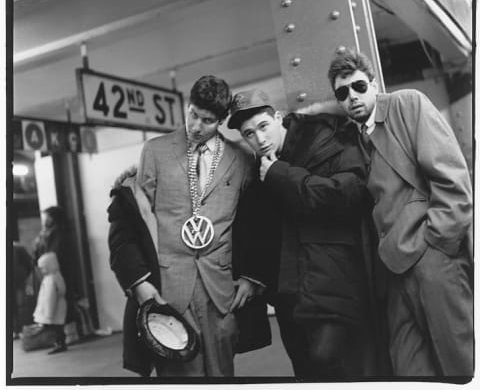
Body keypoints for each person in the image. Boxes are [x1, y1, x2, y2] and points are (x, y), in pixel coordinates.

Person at [108, 75, 270, 377]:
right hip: (169, 289)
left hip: (221, 291)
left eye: (207, 120)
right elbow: (133, 221)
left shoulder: (242, 159)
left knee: (222, 374)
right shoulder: (155, 151)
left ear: (221, 120)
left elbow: (255, 223)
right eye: (192, 114)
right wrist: (140, 283)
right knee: (179, 377)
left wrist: (252, 276)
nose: (195, 126)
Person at [326, 48, 473, 377]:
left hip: (433, 260)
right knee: (409, 368)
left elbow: (452, 179)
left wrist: (436, 245)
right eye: (342, 92)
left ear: (374, 84)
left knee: (458, 364)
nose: (352, 96)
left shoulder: (407, 105)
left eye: (359, 86)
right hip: (394, 272)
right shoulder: (358, 137)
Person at [228, 88, 378, 378]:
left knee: (337, 371)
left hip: (332, 288)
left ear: (279, 117)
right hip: (290, 297)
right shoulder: (261, 167)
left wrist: (280, 175)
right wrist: (251, 274)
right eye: (249, 134)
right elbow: (261, 229)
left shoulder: (321, 138)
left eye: (263, 126)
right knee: (307, 373)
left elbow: (348, 196)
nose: (259, 139)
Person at [33, 251, 67, 354]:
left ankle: (59, 344)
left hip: (53, 309)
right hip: (59, 307)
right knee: (59, 328)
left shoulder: (50, 280)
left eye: (43, 268)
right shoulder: (57, 276)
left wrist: (48, 313)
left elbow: (49, 298)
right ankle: (61, 343)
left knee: (56, 329)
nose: (42, 270)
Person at [13, 241, 34, 339]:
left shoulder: (18, 248)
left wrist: (25, 277)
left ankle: (21, 330)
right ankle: (16, 330)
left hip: (19, 282)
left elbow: (29, 264)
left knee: (21, 305)